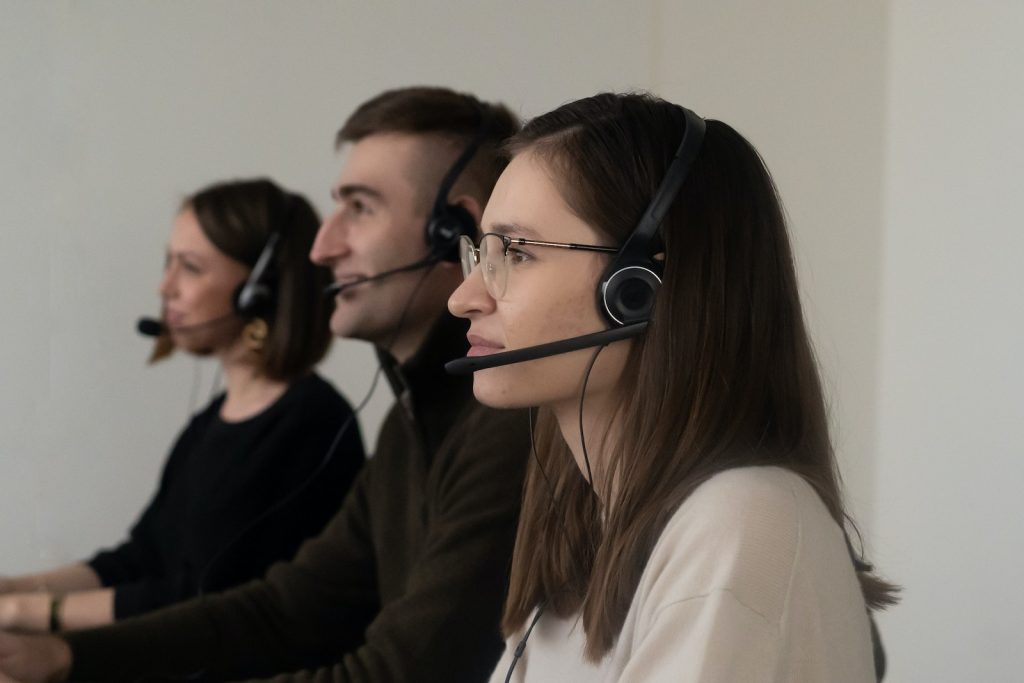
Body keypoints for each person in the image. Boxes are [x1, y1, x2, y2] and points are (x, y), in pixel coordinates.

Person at [0, 86, 528, 683]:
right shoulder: (407, 427)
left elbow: (399, 673)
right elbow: (286, 608)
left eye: (360, 207)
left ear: (453, 230)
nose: (323, 248)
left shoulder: (508, 425)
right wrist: (63, 657)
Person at [447, 92, 898, 681]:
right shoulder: (584, 523)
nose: (464, 297)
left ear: (638, 287)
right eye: (481, 253)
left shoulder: (741, 523)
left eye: (519, 253)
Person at [0, 178, 364, 634]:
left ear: (260, 290)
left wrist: (25, 615)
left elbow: (208, 596)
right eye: (168, 262)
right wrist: (14, 589)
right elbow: (142, 558)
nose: (165, 286)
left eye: (190, 267)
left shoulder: (312, 421)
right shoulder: (211, 421)